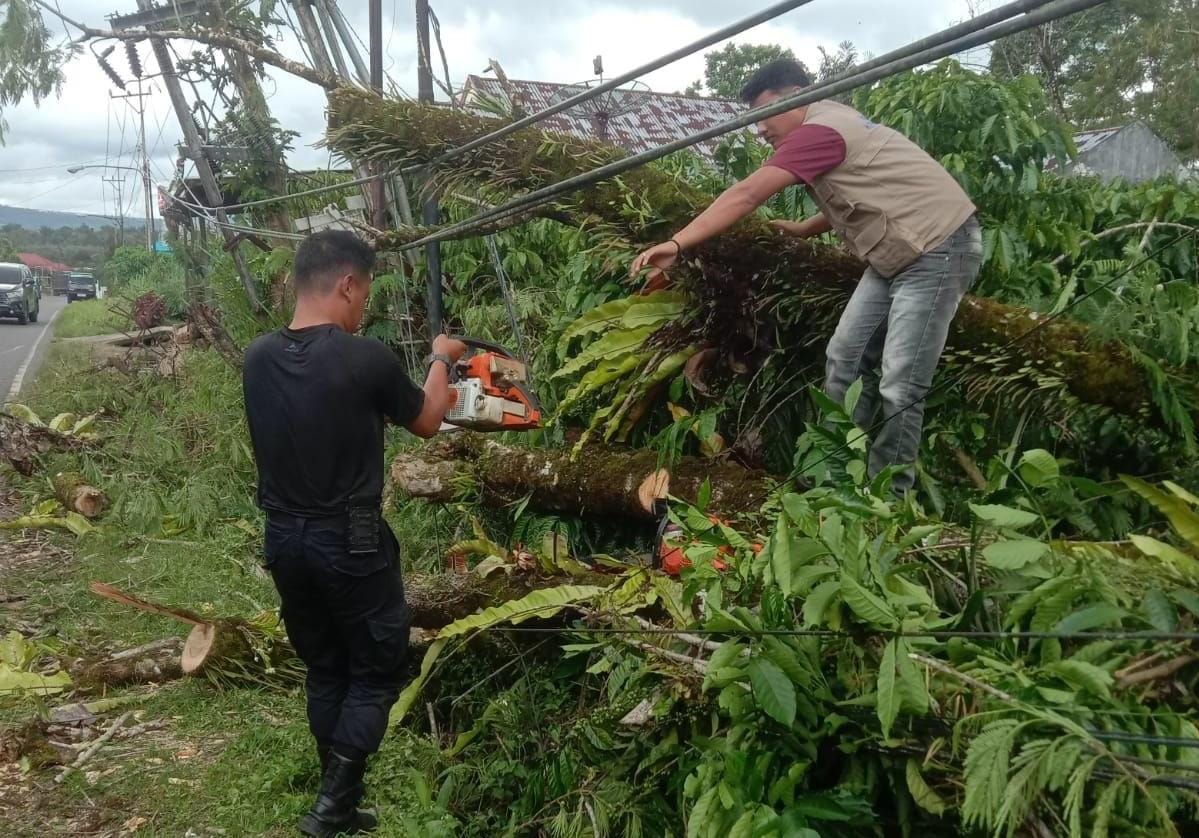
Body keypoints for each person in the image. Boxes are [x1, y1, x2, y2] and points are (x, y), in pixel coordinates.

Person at [631, 59, 983, 494]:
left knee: (900, 381)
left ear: (796, 98)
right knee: (844, 361)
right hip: (894, 255)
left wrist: (678, 242)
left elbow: (746, 194)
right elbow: (861, 193)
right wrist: (802, 229)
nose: (760, 131)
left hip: (938, 250)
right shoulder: (833, 124)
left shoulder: (819, 130)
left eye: (764, 116)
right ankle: (839, 484)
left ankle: (891, 500)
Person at [242, 229, 465, 836]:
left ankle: (339, 804)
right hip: (351, 539)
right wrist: (442, 356)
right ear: (346, 283)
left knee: (326, 669)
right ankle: (329, 806)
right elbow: (427, 419)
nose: (363, 306)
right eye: (363, 293)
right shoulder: (363, 357)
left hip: (283, 538)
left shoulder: (257, 358)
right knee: (378, 669)